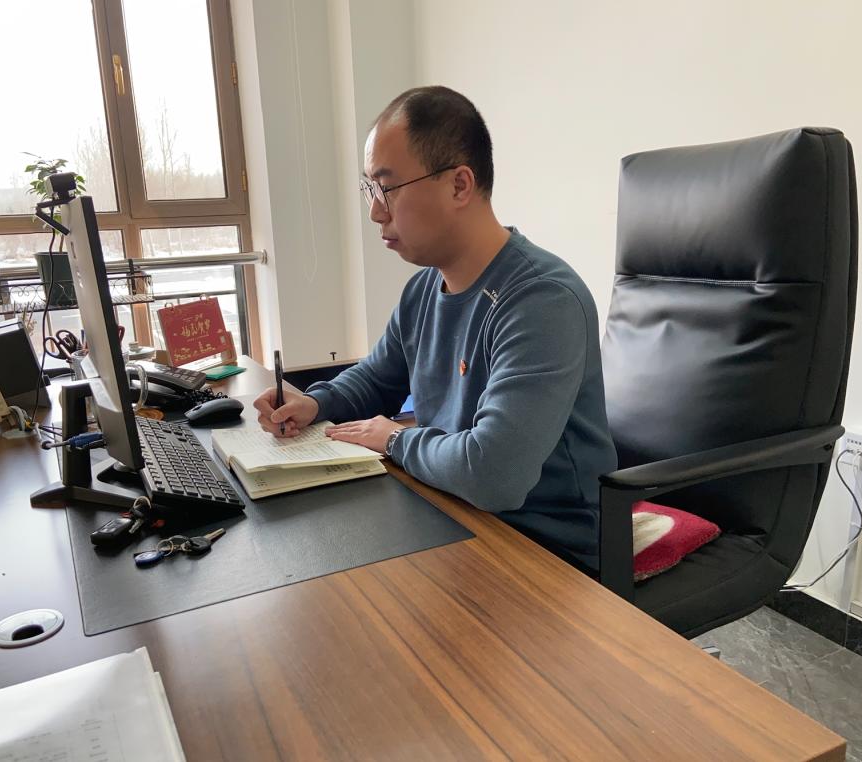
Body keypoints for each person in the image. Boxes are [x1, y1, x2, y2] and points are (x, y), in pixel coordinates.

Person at [254, 86, 617, 570]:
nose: (375, 211)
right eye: (369, 189)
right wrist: (315, 403)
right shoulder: (425, 287)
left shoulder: (542, 301)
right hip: (451, 511)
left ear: (459, 186)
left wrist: (394, 439)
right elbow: (378, 378)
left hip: (545, 550)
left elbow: (495, 474)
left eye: (387, 188)